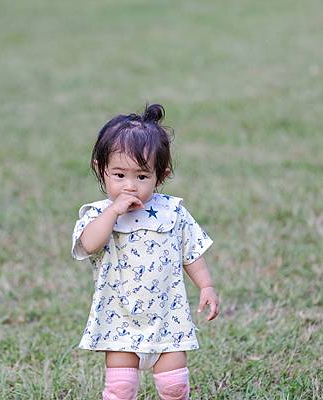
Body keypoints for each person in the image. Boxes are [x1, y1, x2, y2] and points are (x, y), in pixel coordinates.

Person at [71, 103, 219, 400]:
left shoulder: (172, 212)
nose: (130, 186)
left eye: (141, 177)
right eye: (119, 175)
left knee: (174, 387)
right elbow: (89, 244)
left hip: (168, 317)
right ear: (102, 171)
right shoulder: (98, 215)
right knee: (121, 389)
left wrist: (206, 285)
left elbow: (191, 252)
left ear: (159, 176)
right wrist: (113, 212)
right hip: (119, 319)